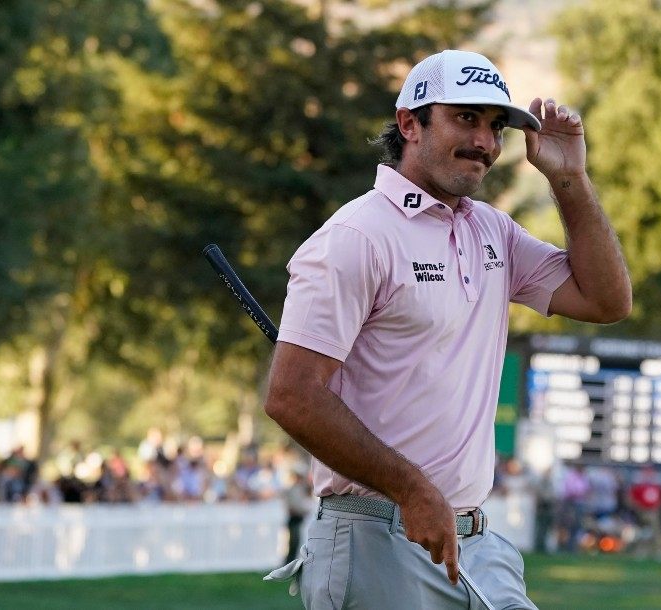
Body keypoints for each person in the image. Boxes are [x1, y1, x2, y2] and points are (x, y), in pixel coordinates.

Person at [262, 48, 631, 609]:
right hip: (377, 535)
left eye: (495, 126)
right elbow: (291, 396)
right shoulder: (357, 237)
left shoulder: (493, 232)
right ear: (409, 123)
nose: (484, 142)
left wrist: (570, 179)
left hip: (474, 540)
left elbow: (606, 299)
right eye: (465, 118)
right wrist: (412, 489)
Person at [627, 465, 661, 559]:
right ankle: (641, 552)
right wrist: (639, 509)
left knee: (656, 533)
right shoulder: (639, 486)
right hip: (642, 512)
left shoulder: (657, 486)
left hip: (654, 512)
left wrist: (658, 509)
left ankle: (657, 552)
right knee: (643, 533)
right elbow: (631, 499)